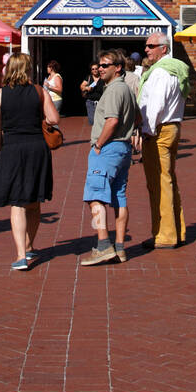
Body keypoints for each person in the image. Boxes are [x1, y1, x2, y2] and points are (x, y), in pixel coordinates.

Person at [0, 53, 57, 270]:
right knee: (34, 200)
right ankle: (29, 245)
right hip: (36, 147)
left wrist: (0, 147)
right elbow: (54, 119)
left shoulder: (0, 95)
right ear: (28, 69)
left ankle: (20, 255)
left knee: (17, 202)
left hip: (13, 147)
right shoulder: (39, 91)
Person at [80, 49, 138, 265]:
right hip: (123, 148)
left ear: (118, 67)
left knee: (94, 195)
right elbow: (138, 116)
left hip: (109, 148)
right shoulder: (126, 89)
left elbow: (112, 121)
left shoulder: (114, 90)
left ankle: (104, 244)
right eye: (100, 65)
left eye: (106, 65)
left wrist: (99, 144)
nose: (101, 69)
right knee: (118, 197)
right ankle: (120, 247)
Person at [137, 31, 190, 248]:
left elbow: (155, 106)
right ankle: (176, 230)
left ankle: (165, 235)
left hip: (159, 130)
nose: (146, 49)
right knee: (168, 181)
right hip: (172, 127)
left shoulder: (160, 73)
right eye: (146, 46)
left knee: (159, 183)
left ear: (164, 48)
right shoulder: (176, 69)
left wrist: (146, 131)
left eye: (151, 45)